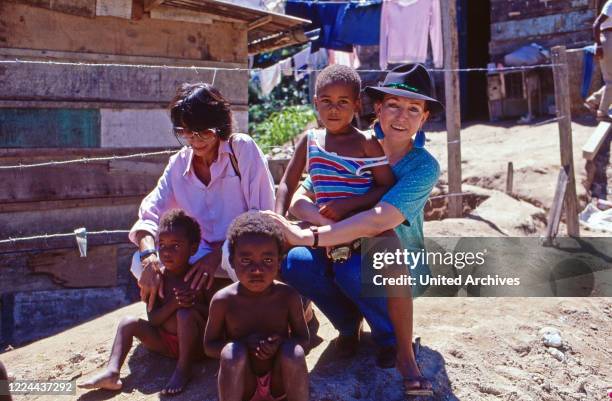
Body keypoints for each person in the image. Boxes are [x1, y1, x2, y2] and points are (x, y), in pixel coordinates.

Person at [266, 63, 441, 397]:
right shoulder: (342, 144)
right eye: (393, 105)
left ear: (424, 117)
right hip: (342, 247)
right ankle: (349, 327)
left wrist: (313, 233)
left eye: (413, 109)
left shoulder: (423, 167)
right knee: (296, 263)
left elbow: (379, 219)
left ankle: (393, 341)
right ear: (377, 107)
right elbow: (303, 192)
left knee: (351, 268)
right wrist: (314, 221)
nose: (401, 117)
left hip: (394, 264)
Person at [130, 83, 276, 313]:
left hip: (242, 247)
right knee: (138, 262)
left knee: (238, 256)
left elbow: (262, 219)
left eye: (204, 131)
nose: (196, 140)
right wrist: (148, 255)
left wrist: (218, 255)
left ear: (220, 125)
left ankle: (257, 315)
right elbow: (150, 212)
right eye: (187, 132)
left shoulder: (241, 150)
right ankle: (173, 318)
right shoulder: (178, 164)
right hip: (202, 252)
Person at [80, 209, 209, 394]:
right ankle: (112, 371)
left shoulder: (197, 277)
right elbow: (154, 320)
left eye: (176, 246)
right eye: (162, 245)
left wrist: (193, 306)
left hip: (194, 347)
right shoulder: (157, 279)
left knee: (185, 314)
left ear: (193, 248)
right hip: (164, 343)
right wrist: (174, 304)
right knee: (127, 322)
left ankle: (183, 369)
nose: (166, 252)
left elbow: (213, 317)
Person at [204, 211, 309, 401]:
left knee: (294, 353)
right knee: (230, 354)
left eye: (267, 260)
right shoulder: (223, 301)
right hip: (244, 384)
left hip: (279, 383)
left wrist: (280, 344)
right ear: (232, 263)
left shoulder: (288, 296)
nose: (257, 270)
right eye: (246, 260)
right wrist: (241, 345)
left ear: (279, 262)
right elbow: (209, 346)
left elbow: (303, 339)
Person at [585, 0, 612, 121]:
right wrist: (599, 45)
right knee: (610, 80)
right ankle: (602, 112)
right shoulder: (611, 4)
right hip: (608, 40)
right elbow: (596, 24)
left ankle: (594, 100)